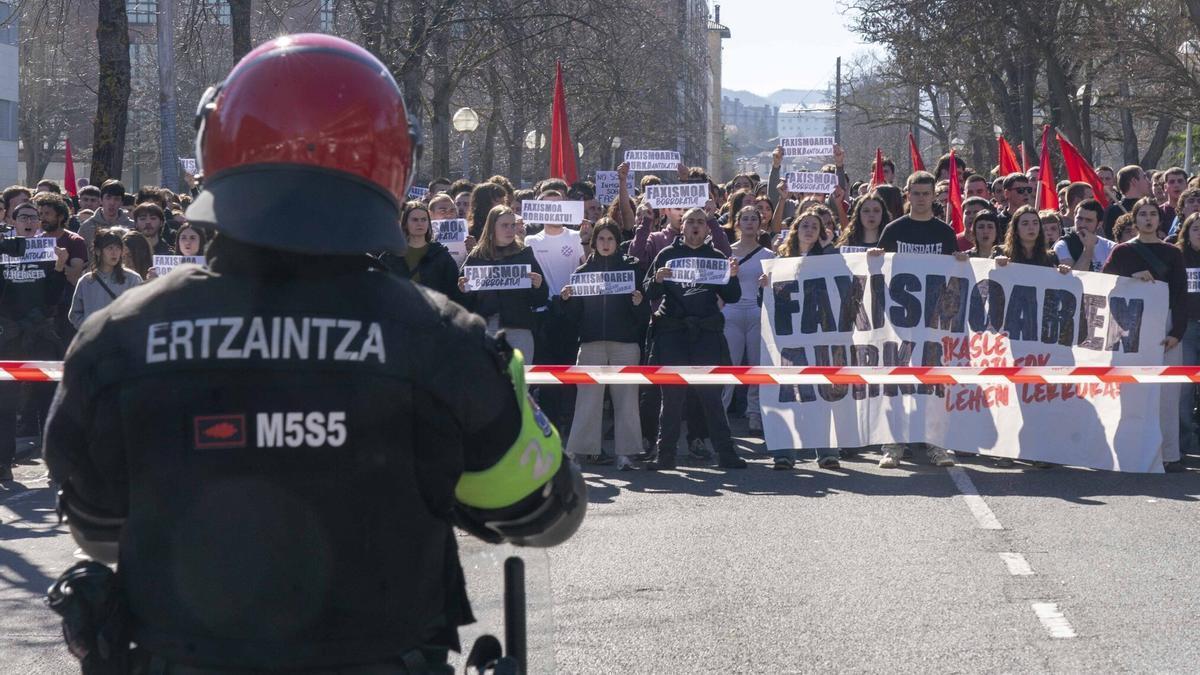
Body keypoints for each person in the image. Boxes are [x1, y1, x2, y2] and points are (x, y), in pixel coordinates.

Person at [43, 34, 584, 674]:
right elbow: (546, 513)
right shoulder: (446, 342)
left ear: (212, 148)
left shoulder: (116, 340)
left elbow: (97, 528)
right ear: (392, 163)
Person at [644, 207, 745, 471]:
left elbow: (732, 296)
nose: (696, 226)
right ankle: (665, 455)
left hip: (705, 333)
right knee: (672, 397)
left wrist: (733, 276)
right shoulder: (667, 254)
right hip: (673, 333)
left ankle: (726, 453)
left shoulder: (716, 257)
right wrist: (657, 278)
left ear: (707, 228)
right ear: (682, 226)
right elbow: (649, 291)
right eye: (691, 222)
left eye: (701, 221)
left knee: (710, 396)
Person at [869, 171, 958, 469]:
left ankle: (937, 444)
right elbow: (878, 272)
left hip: (933, 322)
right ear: (907, 195)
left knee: (934, 384)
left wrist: (962, 263)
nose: (921, 199)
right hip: (899, 321)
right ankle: (893, 445)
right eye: (915, 193)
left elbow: (956, 278)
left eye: (926, 193)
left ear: (935, 196)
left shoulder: (945, 233)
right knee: (896, 383)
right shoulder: (893, 230)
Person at [1102, 197, 1186, 472]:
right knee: (1130, 392)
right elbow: (1105, 286)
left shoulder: (1173, 253)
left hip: (1165, 326)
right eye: (1142, 215)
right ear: (1134, 219)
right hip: (1130, 328)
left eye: (1152, 214)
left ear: (1158, 220)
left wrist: (1177, 332)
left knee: (1167, 394)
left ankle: (1168, 454)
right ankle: (1129, 449)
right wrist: (1131, 278)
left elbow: (1180, 295)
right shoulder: (1122, 252)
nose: (1148, 219)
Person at [558, 219, 649, 470]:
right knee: (587, 399)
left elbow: (643, 319)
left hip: (625, 344)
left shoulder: (632, 272)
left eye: (610, 239)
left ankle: (626, 455)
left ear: (617, 242)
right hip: (591, 344)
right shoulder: (581, 274)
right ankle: (578, 451)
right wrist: (567, 301)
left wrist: (639, 302)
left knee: (627, 400)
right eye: (601, 239)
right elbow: (572, 318)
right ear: (594, 242)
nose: (606, 244)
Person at [459, 204, 548, 361]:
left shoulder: (524, 254)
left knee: (519, 384)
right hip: (486, 329)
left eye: (513, 225)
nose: (510, 230)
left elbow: (539, 300)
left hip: (519, 329)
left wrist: (538, 286)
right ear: (492, 227)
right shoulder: (476, 256)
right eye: (504, 225)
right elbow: (464, 302)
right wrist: (463, 290)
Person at [722, 205, 775, 435]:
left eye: (754, 218)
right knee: (729, 366)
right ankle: (721, 411)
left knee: (756, 365)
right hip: (731, 313)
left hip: (757, 312)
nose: (750, 222)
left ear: (760, 224)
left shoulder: (769, 256)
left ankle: (754, 413)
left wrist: (767, 283)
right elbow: (719, 287)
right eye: (745, 218)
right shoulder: (726, 253)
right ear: (737, 223)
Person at [380, 200, 464, 302]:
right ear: (405, 223)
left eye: (424, 219)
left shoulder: (441, 256)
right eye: (415, 220)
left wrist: (462, 288)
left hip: (432, 313)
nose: (420, 223)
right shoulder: (390, 256)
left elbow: (453, 293)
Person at [67, 228, 143, 329]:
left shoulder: (132, 279)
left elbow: (141, 310)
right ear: (98, 251)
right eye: (110, 248)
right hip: (95, 341)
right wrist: (89, 330)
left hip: (123, 341)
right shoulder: (86, 281)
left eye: (118, 248)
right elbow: (75, 314)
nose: (114, 252)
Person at [1176, 212, 1200, 462]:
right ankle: (1181, 446)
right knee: (1184, 388)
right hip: (1188, 328)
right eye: (1196, 227)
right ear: (1187, 230)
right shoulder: (1177, 255)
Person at [1055, 199, 1114, 272]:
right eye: (1079, 218)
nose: (1082, 224)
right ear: (1074, 217)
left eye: (1089, 220)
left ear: (1099, 224)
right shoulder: (1063, 245)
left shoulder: (1110, 248)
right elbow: (1074, 279)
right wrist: (1088, 249)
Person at [79, 180, 133, 251]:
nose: (112, 203)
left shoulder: (132, 227)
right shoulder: (86, 227)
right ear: (101, 200)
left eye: (116, 199)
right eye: (108, 198)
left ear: (121, 202)